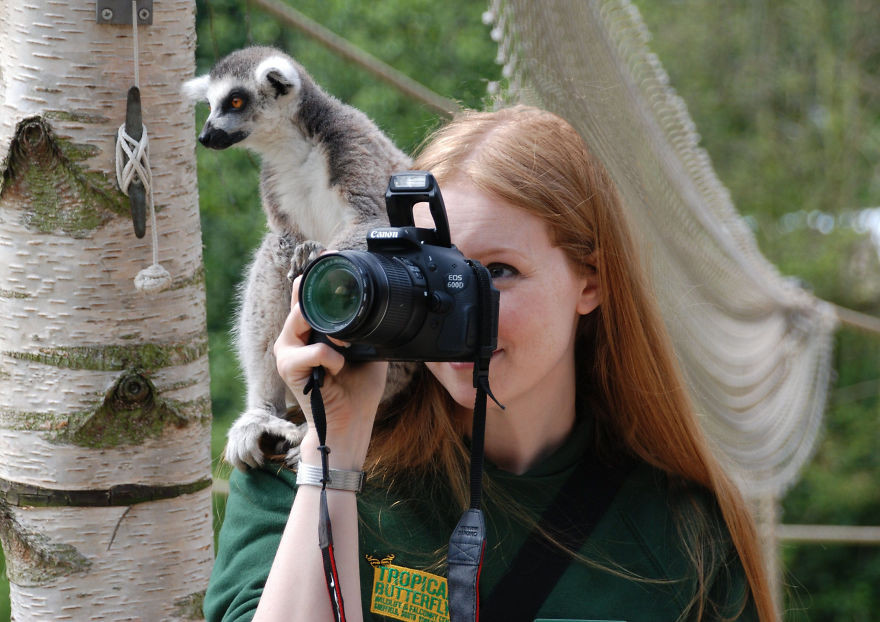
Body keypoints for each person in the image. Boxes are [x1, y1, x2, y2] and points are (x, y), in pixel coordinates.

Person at [204, 105, 775, 622]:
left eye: (497, 272)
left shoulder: (682, 533)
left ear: (590, 283)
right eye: (433, 269)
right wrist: (335, 456)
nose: (456, 305)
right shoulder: (291, 479)